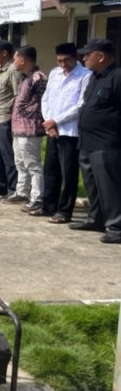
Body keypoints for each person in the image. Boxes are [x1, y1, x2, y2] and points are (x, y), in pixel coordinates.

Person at [70, 39, 121, 244]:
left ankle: (117, 227)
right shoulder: (94, 78)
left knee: (110, 187)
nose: (83, 58)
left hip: (107, 143)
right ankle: (96, 219)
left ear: (101, 56)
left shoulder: (117, 77)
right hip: (87, 142)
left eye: (87, 55)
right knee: (93, 185)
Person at [34, 42, 92, 221]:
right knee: (50, 170)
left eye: (67, 60)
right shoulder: (54, 73)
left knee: (68, 173)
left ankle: (65, 211)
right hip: (52, 130)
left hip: (70, 131)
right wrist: (49, 122)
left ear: (76, 57)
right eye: (59, 61)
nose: (63, 65)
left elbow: (80, 105)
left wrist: (56, 121)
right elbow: (46, 98)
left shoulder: (85, 75)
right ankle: (48, 206)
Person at [8, 46, 47, 208]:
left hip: (30, 129)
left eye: (15, 58)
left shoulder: (38, 78)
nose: (14, 62)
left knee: (33, 165)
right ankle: (22, 192)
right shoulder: (24, 77)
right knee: (20, 162)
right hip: (18, 128)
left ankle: (37, 198)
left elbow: (43, 102)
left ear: (22, 60)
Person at [0, 40, 20, 198]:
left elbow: (18, 95)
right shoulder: (0, 70)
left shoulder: (13, 70)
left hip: (5, 119)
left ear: (4, 53)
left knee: (8, 155)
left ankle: (13, 188)